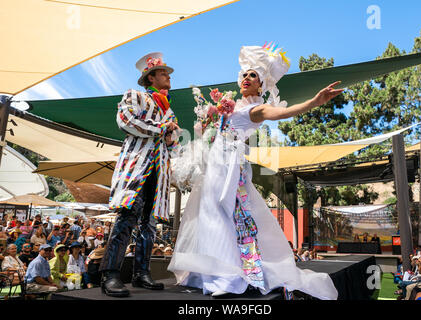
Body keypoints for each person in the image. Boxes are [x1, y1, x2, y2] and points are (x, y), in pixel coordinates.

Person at [168, 44, 341, 299]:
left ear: (261, 85)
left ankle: (226, 276)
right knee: (210, 214)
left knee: (220, 214)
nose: (246, 78)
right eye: (245, 74)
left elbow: (282, 112)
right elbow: (211, 134)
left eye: (253, 76)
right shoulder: (231, 106)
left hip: (229, 166)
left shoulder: (255, 109)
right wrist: (207, 123)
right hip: (216, 162)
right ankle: (210, 272)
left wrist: (314, 102)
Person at [99, 52, 180, 298]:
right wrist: (161, 129)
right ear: (151, 76)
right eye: (164, 72)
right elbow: (125, 121)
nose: (168, 76)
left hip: (159, 169)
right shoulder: (134, 96)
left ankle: (141, 272)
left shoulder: (169, 109)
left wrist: (170, 136)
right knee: (127, 218)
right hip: (137, 163)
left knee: (150, 223)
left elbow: (174, 142)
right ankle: (110, 274)